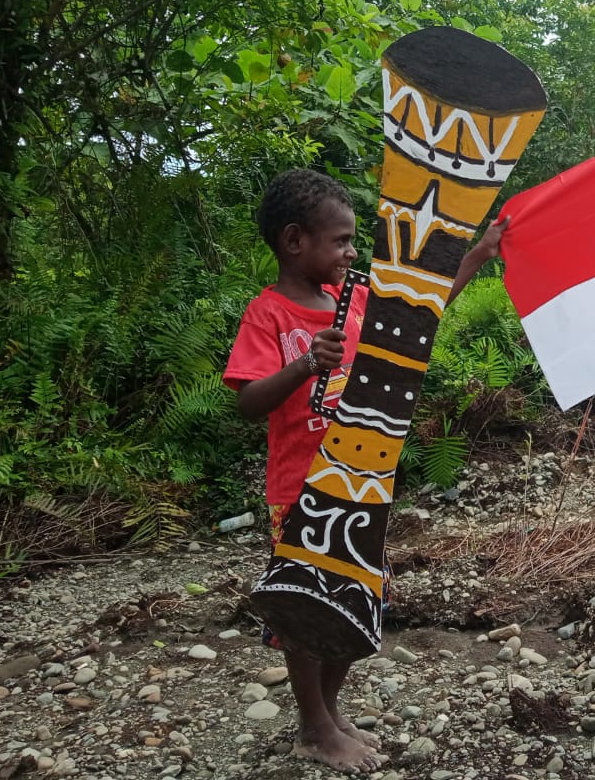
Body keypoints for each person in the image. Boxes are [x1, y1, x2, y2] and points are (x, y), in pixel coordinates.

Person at [223, 168, 507, 771]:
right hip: (300, 492)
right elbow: (248, 403)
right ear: (295, 241)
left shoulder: (349, 302)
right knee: (305, 608)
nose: (353, 252)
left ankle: (327, 710)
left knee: (356, 599)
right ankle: (314, 727)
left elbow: (415, 317)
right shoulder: (267, 314)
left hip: (364, 481)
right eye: (343, 240)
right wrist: (302, 367)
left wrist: (478, 255)